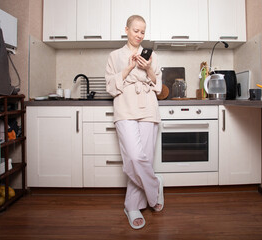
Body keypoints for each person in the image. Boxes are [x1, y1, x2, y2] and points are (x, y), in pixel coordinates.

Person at [105, 15, 164, 230]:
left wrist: (148, 68)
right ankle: (154, 188)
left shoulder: (152, 55)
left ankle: (132, 206)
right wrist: (129, 68)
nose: (139, 35)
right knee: (134, 157)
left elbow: (158, 85)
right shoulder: (114, 55)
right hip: (125, 107)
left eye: (143, 32)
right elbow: (110, 87)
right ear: (127, 30)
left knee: (144, 158)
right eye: (135, 30)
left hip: (148, 107)